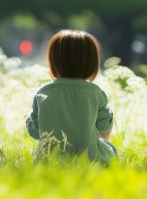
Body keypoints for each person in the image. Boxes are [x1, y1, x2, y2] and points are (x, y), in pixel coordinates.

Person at [26, 29, 117, 163]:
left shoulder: (42, 93)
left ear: (53, 61)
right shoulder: (96, 93)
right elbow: (104, 127)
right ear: (91, 63)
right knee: (110, 149)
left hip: (49, 160)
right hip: (89, 159)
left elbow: (34, 131)